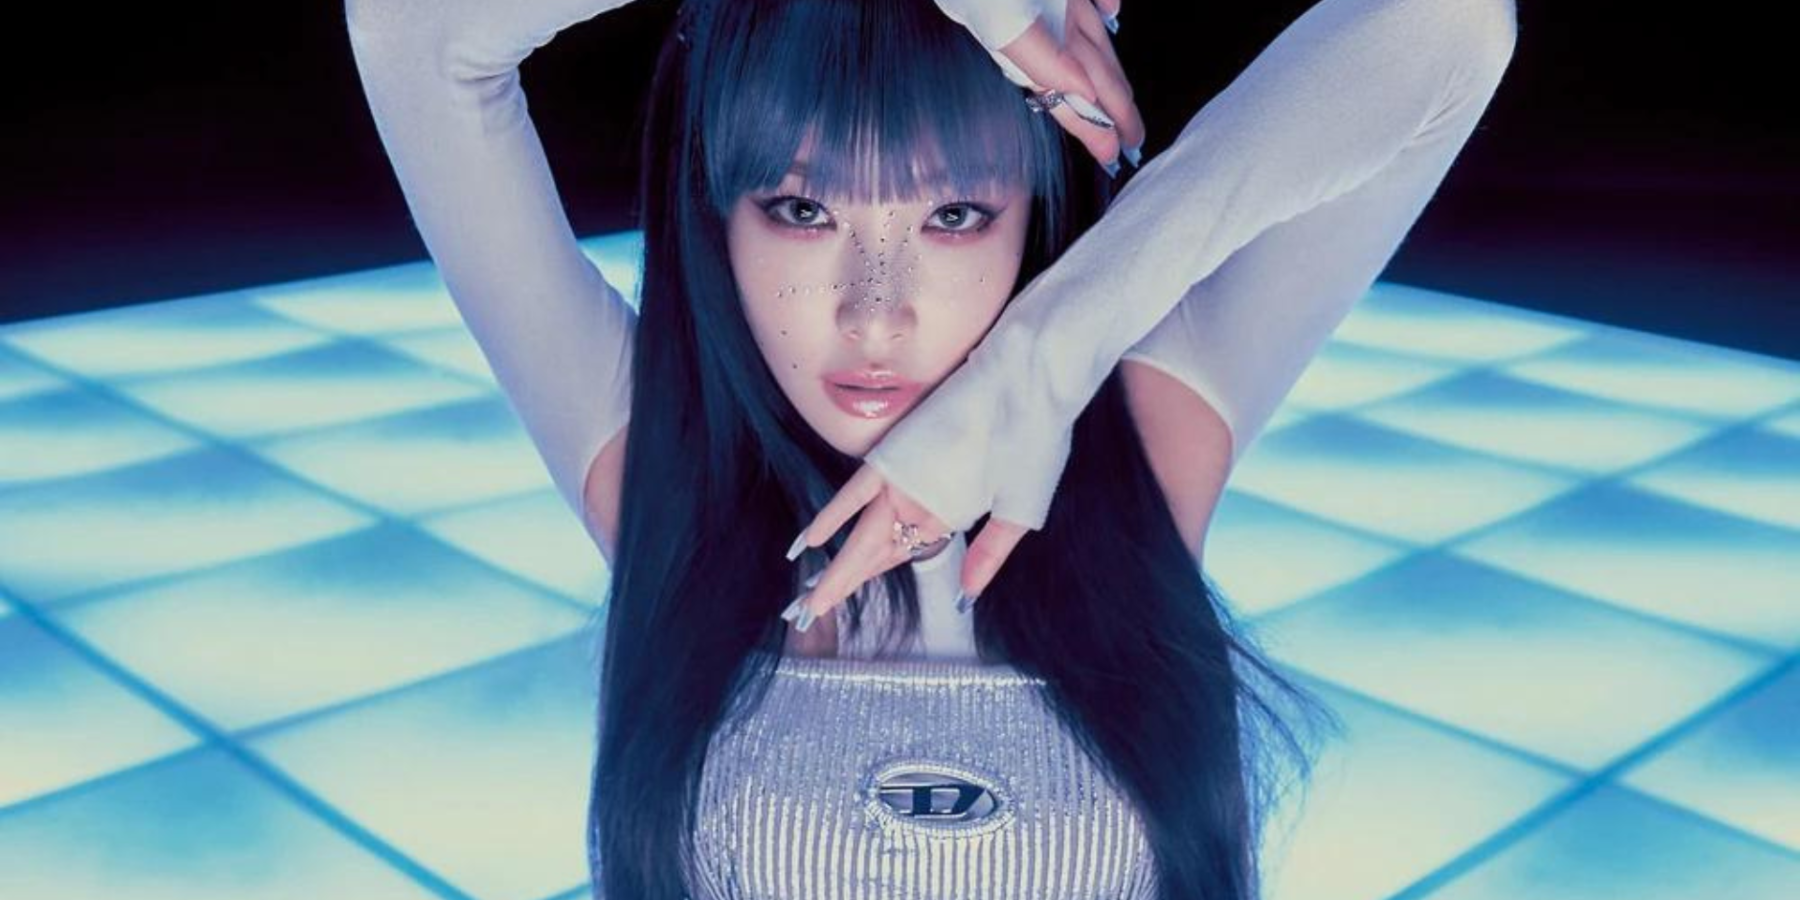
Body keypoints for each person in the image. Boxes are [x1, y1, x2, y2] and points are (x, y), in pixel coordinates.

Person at [344, 0, 1519, 896]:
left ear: (1030, 219)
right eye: (802, 210)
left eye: (955, 215)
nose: (873, 314)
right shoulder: (665, 468)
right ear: (719, 220)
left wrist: (1049, 357)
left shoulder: (1141, 441)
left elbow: (1453, 27)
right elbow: (411, 28)